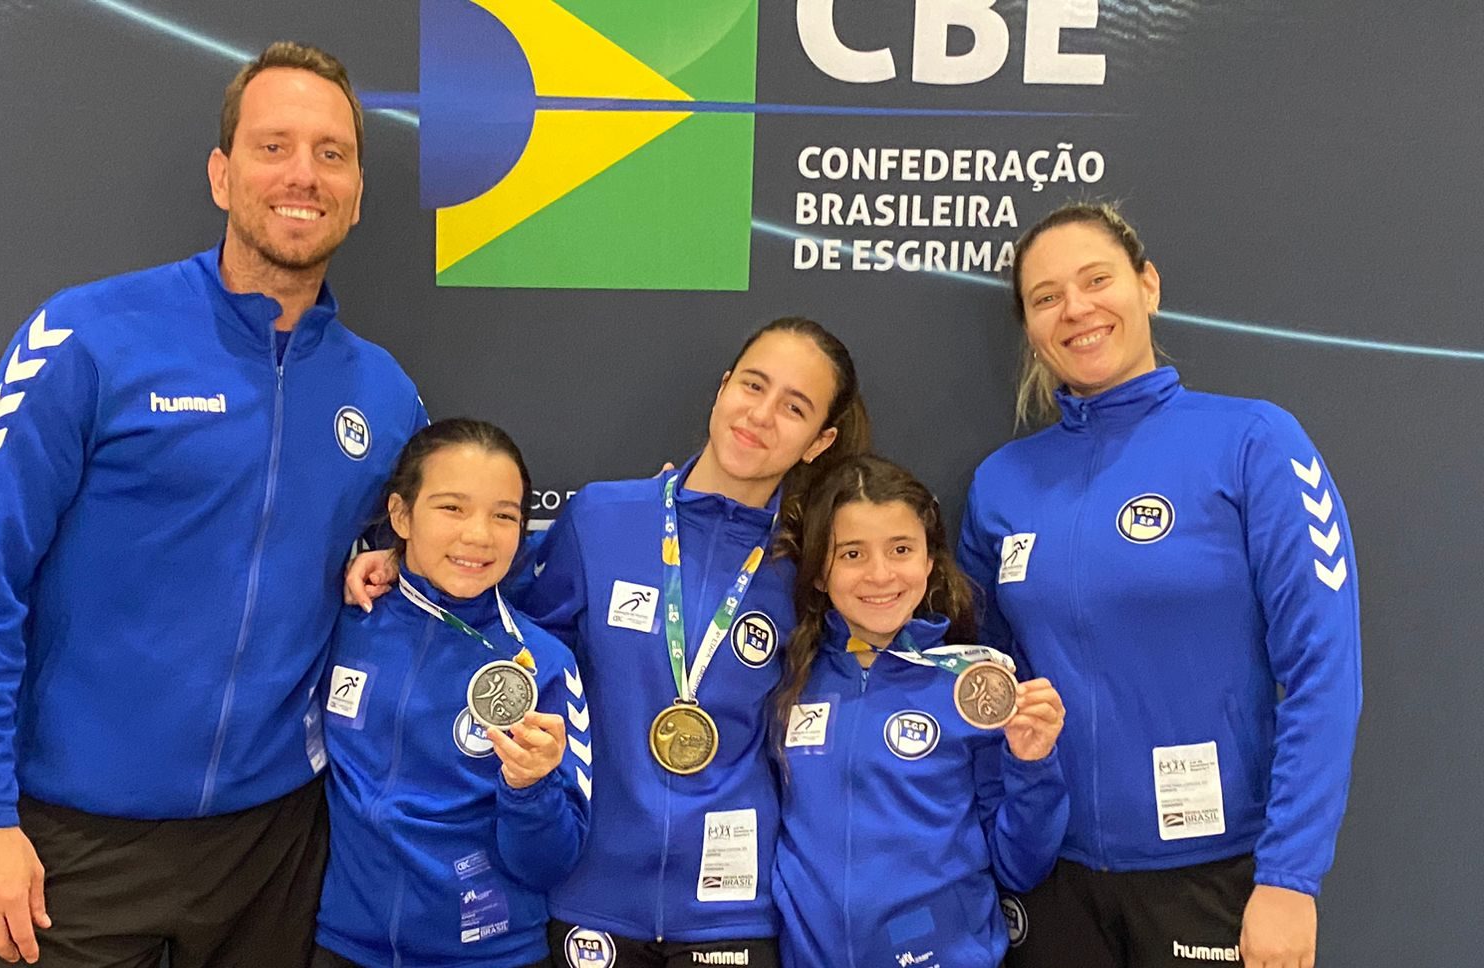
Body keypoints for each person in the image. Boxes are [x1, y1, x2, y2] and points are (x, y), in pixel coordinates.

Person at [0, 42, 424, 968]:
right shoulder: (87, 336)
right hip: (75, 844)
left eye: (331, 153)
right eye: (274, 146)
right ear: (222, 174)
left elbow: (411, 583)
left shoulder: (387, 398)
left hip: (273, 847)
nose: (303, 176)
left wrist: (383, 568)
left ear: (355, 191)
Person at [957, 202, 1362, 968]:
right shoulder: (1001, 485)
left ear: (1147, 285)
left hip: (1214, 878)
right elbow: (984, 687)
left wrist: (1289, 877)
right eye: (1046, 297)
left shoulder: (1254, 441)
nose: (1076, 308)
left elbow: (1323, 671)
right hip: (1051, 886)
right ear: (1031, 326)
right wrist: (1003, 844)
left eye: (1097, 279)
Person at [503, 317, 867, 967]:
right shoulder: (601, 518)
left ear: (821, 440)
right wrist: (404, 567)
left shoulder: (812, 565)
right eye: (752, 385)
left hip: (733, 912)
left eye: (795, 407)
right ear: (723, 387)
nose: (761, 414)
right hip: (592, 898)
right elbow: (511, 635)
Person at [770, 453, 1067, 968]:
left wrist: (1033, 763)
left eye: (901, 549)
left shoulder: (974, 689)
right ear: (819, 571)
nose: (880, 574)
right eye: (852, 554)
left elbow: (1021, 865)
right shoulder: (786, 677)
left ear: (929, 562)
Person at [312, 419, 589, 968]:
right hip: (344, 946)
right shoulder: (344, 624)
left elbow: (549, 865)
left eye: (504, 515)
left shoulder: (543, 665)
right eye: (452, 508)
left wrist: (529, 788)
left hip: (492, 955)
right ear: (400, 515)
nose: (479, 535)